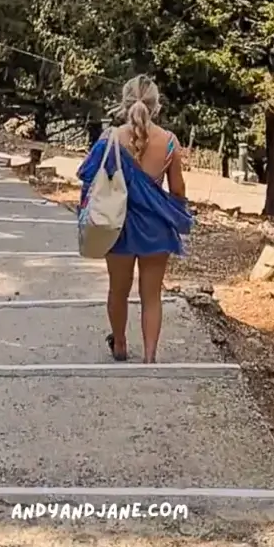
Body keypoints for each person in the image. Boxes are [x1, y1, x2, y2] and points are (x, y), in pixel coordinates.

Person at [77, 75, 192, 363]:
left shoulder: (110, 138)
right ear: (156, 107)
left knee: (118, 289)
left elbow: (89, 176)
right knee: (151, 295)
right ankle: (150, 357)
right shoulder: (168, 143)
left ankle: (120, 345)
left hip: (117, 225)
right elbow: (177, 189)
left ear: (124, 102)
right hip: (156, 227)